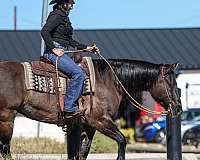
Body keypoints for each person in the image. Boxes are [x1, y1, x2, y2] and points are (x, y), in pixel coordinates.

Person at [41, 0, 100, 120]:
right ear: (62, 3)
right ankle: (69, 107)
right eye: (70, 3)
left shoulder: (64, 17)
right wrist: (53, 49)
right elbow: (44, 31)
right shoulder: (57, 15)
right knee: (78, 73)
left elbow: (69, 41)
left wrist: (87, 48)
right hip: (54, 52)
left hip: (61, 49)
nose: (72, 5)